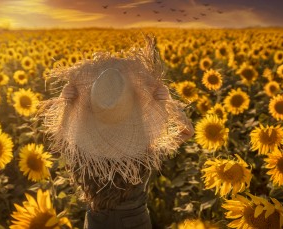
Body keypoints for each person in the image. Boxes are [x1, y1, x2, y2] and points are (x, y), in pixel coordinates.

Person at [40, 36, 194, 228]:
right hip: (135, 223)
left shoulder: (82, 154)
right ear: (134, 109)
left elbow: (61, 141)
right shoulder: (144, 150)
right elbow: (186, 132)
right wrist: (167, 103)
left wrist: (68, 107)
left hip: (96, 223)